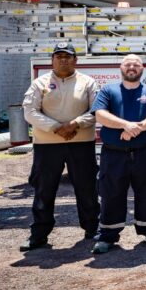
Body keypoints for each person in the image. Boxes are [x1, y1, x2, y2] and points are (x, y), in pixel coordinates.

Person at [20, 42, 100, 251]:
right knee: (44, 190)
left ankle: (93, 229)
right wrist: (57, 127)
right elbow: (30, 112)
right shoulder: (40, 83)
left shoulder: (88, 82)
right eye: (59, 56)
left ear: (76, 60)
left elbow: (97, 111)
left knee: (87, 188)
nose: (63, 59)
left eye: (68, 56)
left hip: (81, 144)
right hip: (47, 146)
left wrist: (75, 124)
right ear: (52, 60)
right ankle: (39, 234)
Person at [90, 54, 146, 254]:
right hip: (114, 154)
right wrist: (126, 125)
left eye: (136, 64)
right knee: (111, 193)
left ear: (142, 68)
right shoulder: (108, 90)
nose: (132, 67)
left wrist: (136, 128)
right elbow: (100, 114)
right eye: (128, 64)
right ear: (121, 68)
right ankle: (108, 236)